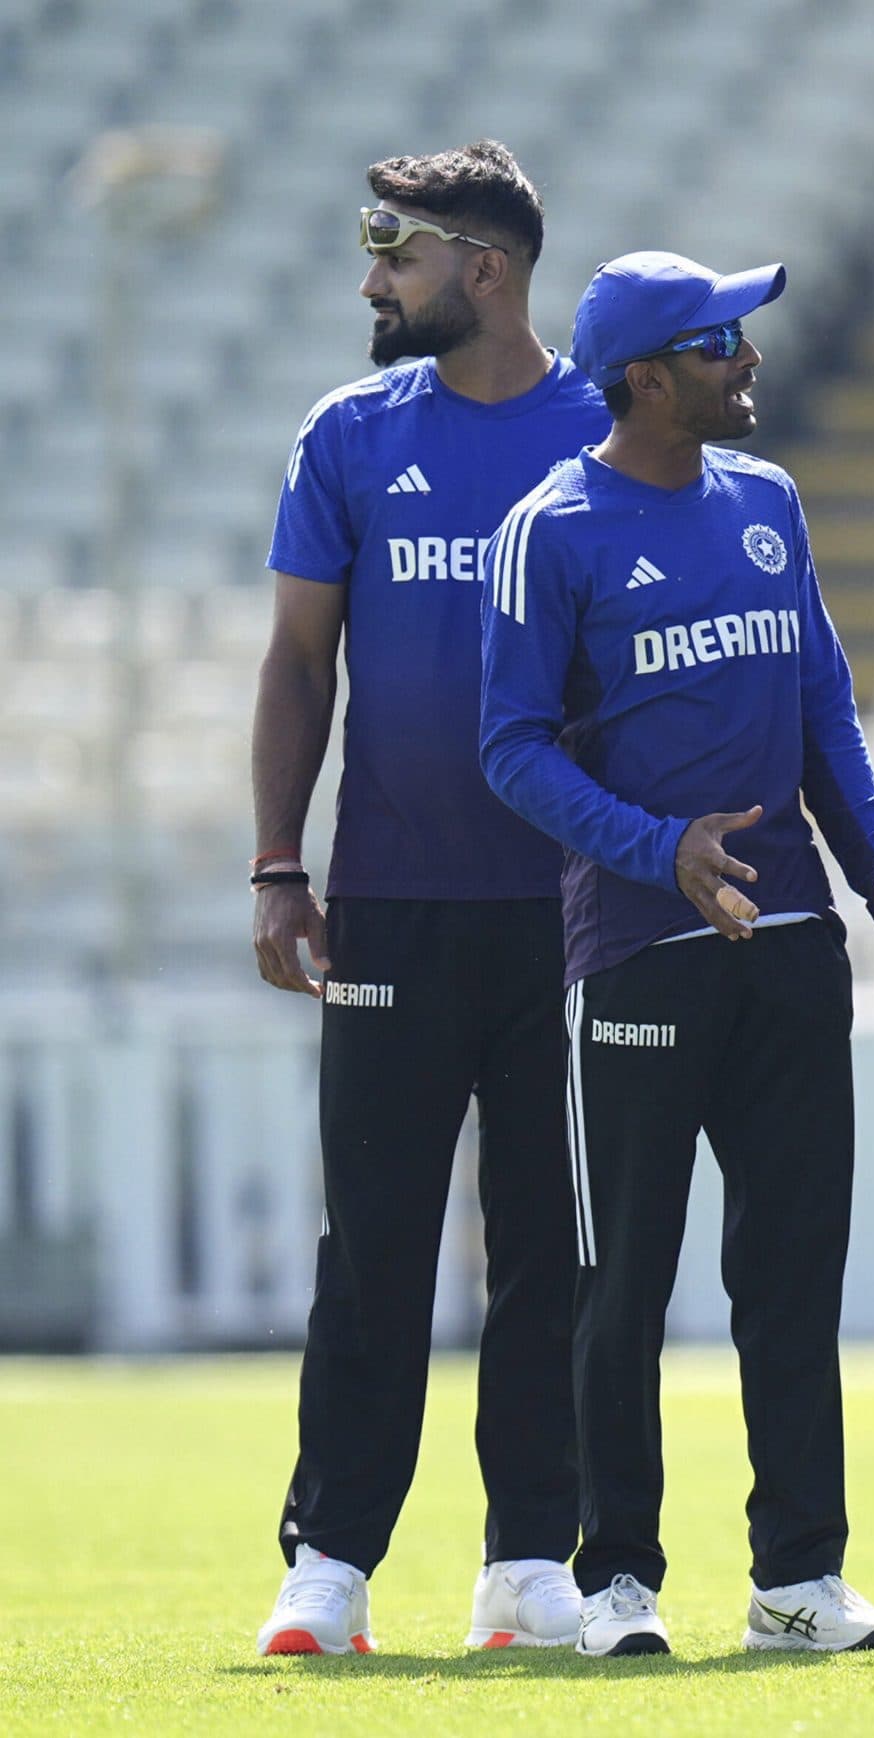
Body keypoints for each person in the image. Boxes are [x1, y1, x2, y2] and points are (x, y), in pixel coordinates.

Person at [479, 251, 874, 1657]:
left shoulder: (768, 503)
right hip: (638, 951)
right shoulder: (550, 527)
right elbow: (506, 747)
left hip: (795, 947)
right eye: (717, 342)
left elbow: (823, 702)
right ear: (643, 375)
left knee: (794, 1271)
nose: (747, 359)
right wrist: (655, 847)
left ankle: (799, 1576)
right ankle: (619, 1577)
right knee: (623, 1277)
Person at [250, 140, 604, 1658]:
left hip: (574, 915)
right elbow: (297, 662)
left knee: (549, 1246)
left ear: (488, 268)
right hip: (391, 901)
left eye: (396, 251)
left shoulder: (610, 426)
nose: (372, 278)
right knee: (375, 1241)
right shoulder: (348, 433)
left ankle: (530, 1560)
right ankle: (329, 1562)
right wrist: (280, 863)